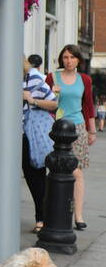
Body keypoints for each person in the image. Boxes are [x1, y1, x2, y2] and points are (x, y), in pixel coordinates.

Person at [46, 44, 96, 230]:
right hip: (56, 127)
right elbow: (44, 100)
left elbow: (88, 104)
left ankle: (79, 215)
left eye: (72, 57)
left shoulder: (84, 79)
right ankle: (53, 211)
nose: (68, 61)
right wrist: (53, 93)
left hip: (77, 127)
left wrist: (92, 130)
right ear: (62, 59)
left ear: (78, 60)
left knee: (77, 171)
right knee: (56, 170)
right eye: (65, 57)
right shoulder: (52, 77)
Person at [21, 54, 57, 231]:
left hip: (28, 134)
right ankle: (0, 218)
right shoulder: (1, 78)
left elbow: (53, 104)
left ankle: (41, 217)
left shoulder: (34, 78)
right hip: (8, 133)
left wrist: (31, 100)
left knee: (35, 176)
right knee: (2, 175)